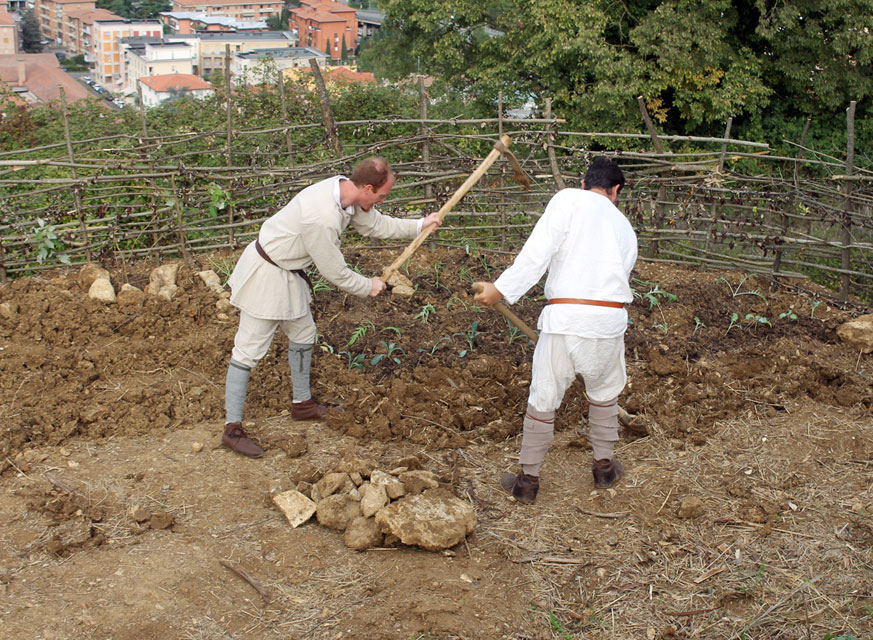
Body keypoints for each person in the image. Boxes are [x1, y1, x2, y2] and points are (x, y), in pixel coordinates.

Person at [221, 157, 442, 457]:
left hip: (289, 273)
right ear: (367, 188)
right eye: (381, 195)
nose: (382, 200)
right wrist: (369, 285)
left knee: (303, 334)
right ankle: (232, 429)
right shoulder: (321, 217)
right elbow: (334, 272)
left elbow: (376, 224)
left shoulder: (346, 195)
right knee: (248, 350)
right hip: (268, 275)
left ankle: (302, 404)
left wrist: (420, 225)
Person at [473, 156, 638, 503]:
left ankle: (528, 483)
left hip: (564, 320)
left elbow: (538, 251)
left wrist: (500, 290)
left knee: (544, 398)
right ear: (616, 190)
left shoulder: (568, 199)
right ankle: (604, 469)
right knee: (605, 392)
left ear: (584, 183)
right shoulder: (625, 227)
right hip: (608, 321)